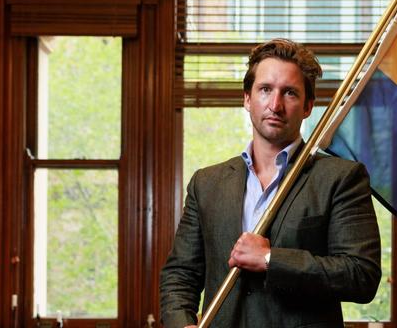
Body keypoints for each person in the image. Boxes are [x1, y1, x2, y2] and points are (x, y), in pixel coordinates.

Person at [160, 39, 382, 328]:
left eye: (289, 93)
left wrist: (270, 258)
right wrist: (181, 323)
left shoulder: (341, 178)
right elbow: (180, 275)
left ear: (308, 106)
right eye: (265, 89)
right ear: (247, 99)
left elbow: (361, 275)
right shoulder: (207, 183)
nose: (275, 105)